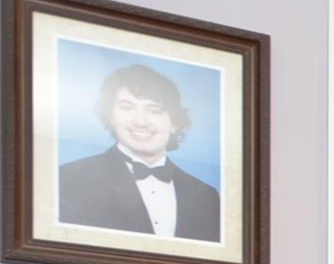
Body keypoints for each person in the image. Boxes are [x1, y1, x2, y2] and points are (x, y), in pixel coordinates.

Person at [57, 62, 222, 242]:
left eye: (154, 110)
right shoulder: (68, 178)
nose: (140, 121)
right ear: (111, 117)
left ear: (175, 123)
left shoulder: (207, 197)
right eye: (127, 107)